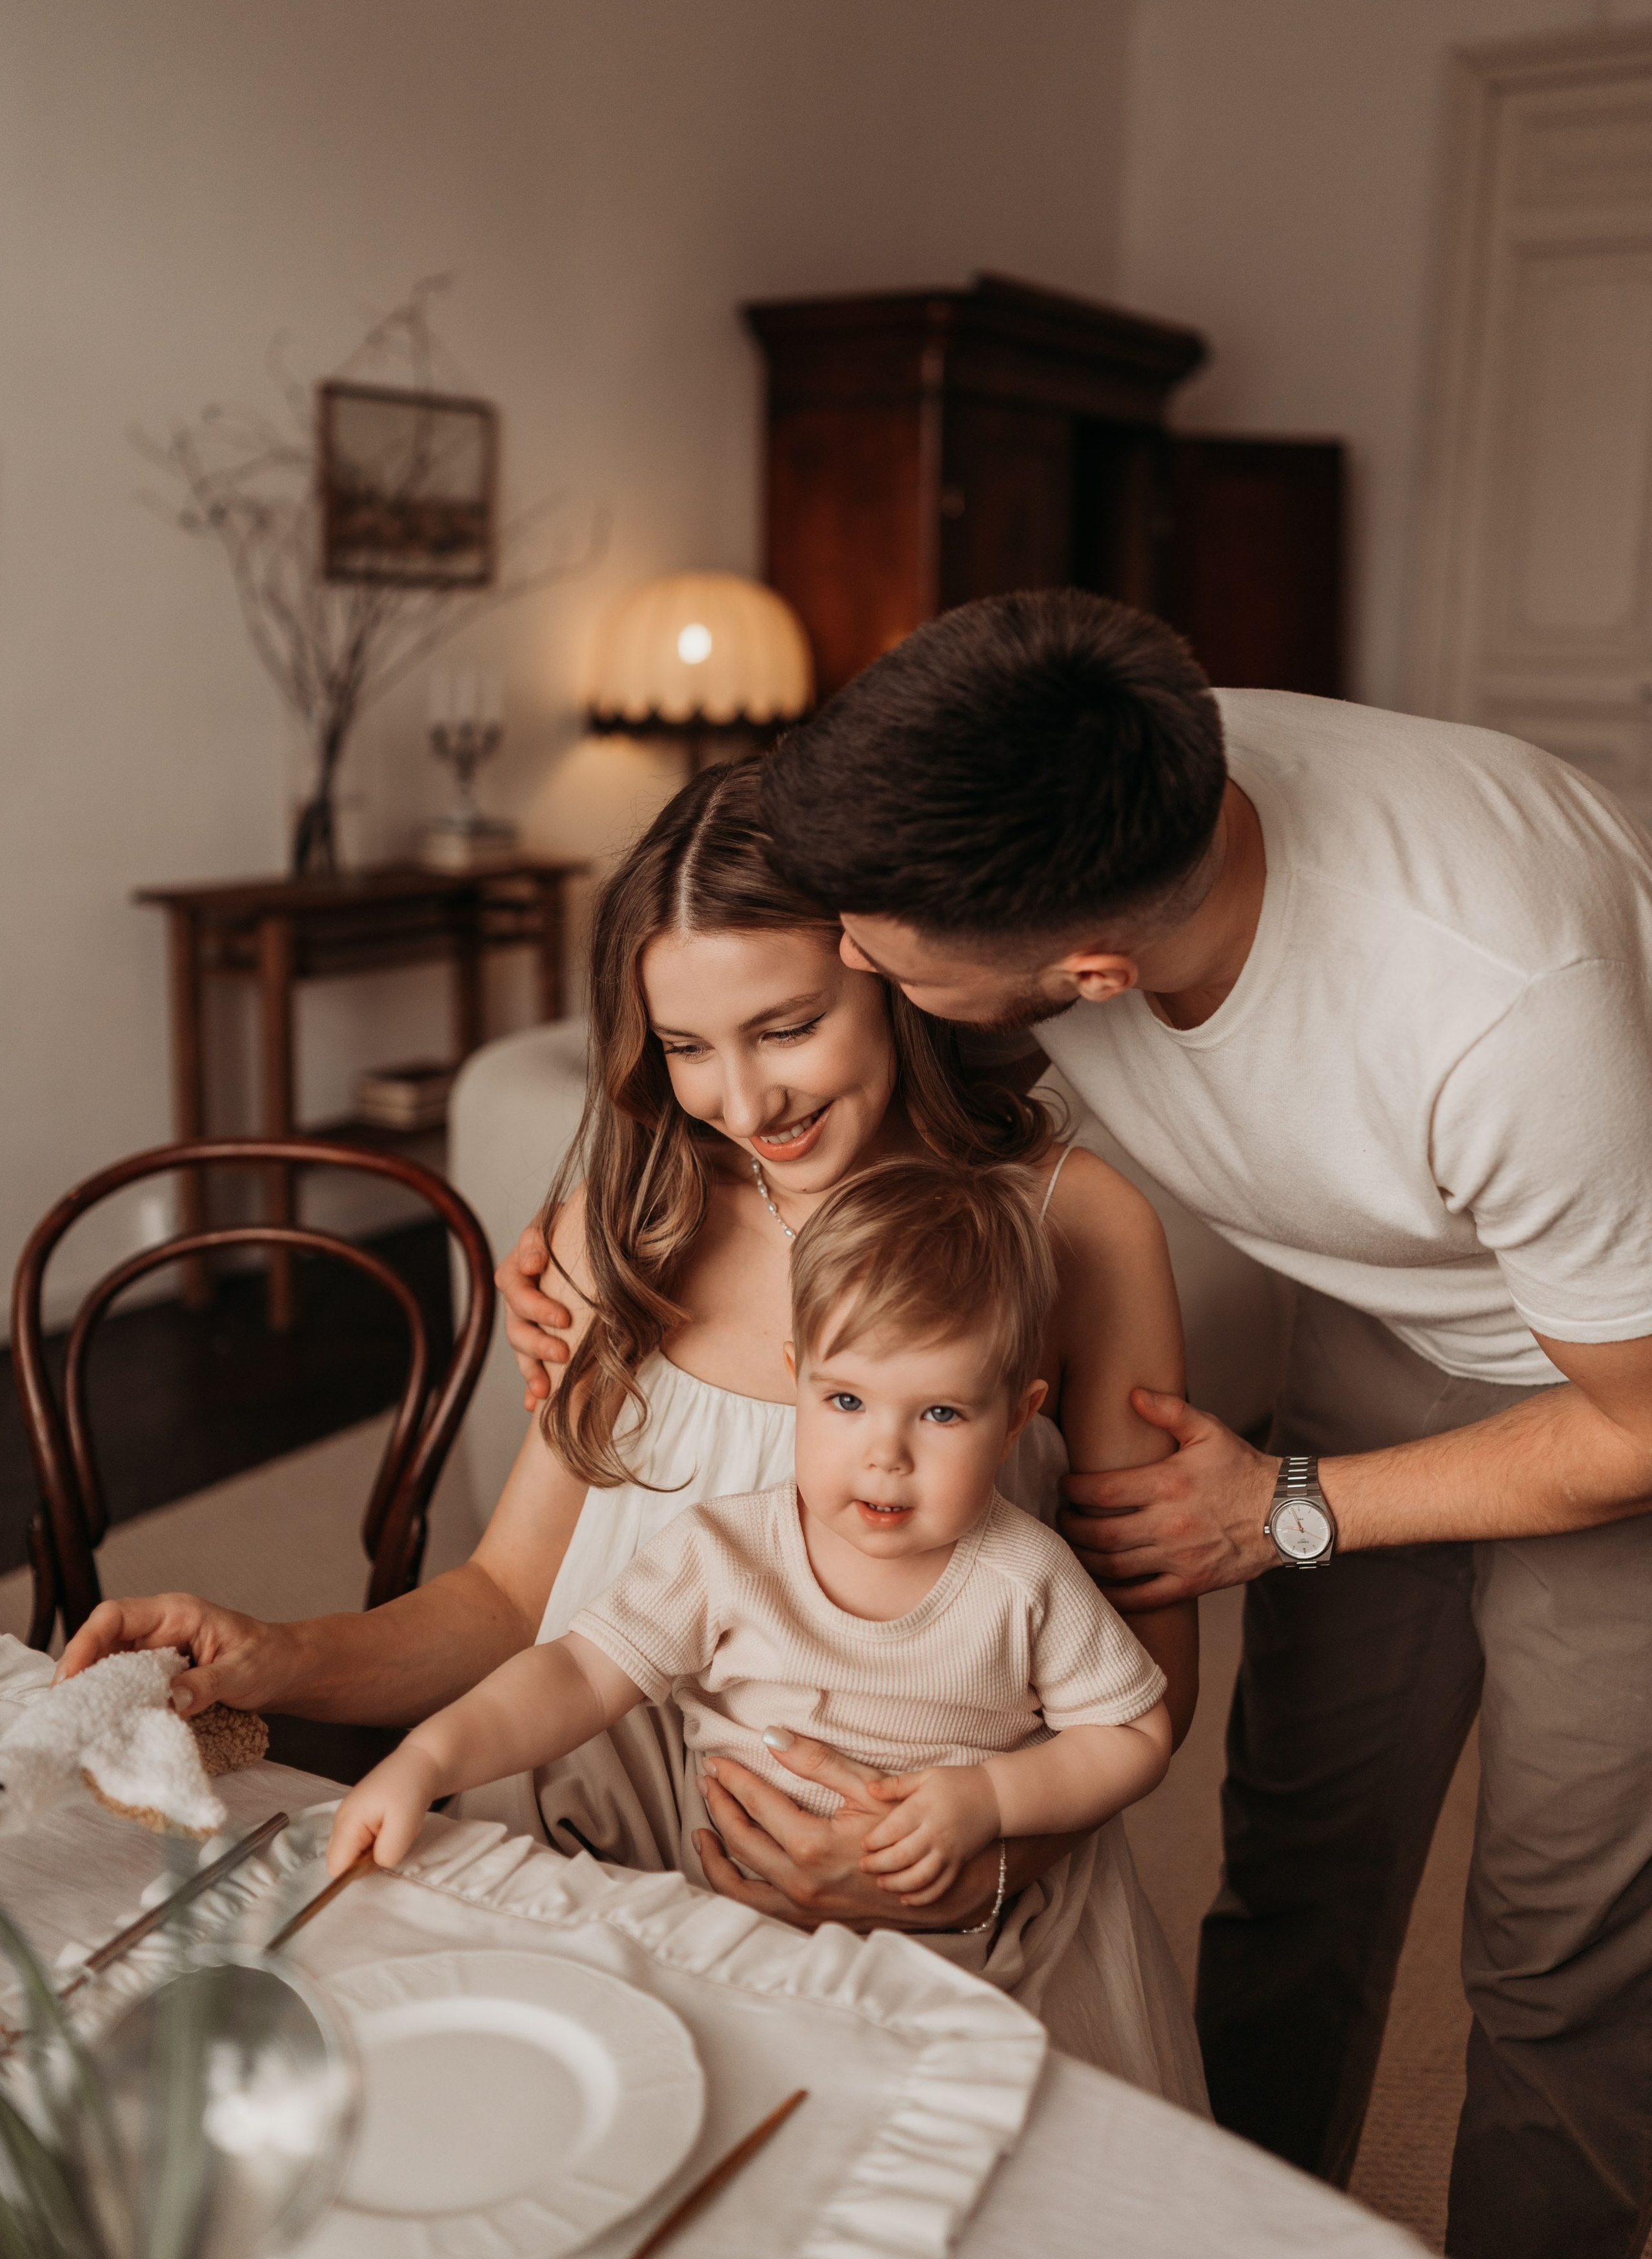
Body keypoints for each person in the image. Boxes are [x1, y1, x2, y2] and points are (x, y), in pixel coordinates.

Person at [720, 585, 1652, 2259]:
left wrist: (1289, 1509)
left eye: (890, 944)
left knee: (1557, 1947)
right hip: (1396, 1303)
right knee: (1299, 1852)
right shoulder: (1088, 778)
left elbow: (1645, 1421)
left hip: (1626, 1375)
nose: (852, 959)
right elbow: (764, 1040)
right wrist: (600, 1238)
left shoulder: (1503, 1001)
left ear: (1092, 974)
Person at [63, 758, 1205, 2103]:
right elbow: (508, 1600)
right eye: (684, 1046)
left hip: (955, 1903)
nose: (742, 1101)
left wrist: (972, 1858)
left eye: (785, 1027)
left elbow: (1149, 1680)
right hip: (620, 1858)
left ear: (889, 975)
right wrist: (281, 1655)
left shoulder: (1073, 1225)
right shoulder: (628, 1230)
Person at [330, 1160, 1175, 2040]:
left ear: (1016, 1418)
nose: (885, 1454)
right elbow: (578, 1672)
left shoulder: (1025, 1579)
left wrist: (993, 1801)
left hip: (926, 1942)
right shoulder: (727, 1550)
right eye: (847, 1399)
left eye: (941, 1415)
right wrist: (426, 1760)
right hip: (706, 1894)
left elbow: (1135, 1733)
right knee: (569, 1789)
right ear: (795, 1377)